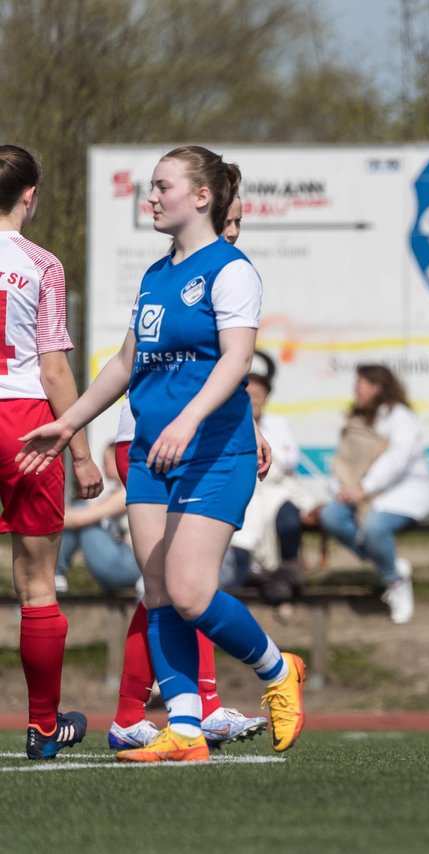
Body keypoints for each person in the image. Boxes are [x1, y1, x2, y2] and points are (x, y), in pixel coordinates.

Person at [17, 145, 305, 763]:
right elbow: (125, 364)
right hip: (150, 453)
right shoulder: (155, 274)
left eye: (161, 186)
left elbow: (235, 359)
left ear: (201, 197)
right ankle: (185, 731)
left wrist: (191, 418)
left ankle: (279, 671)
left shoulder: (232, 269)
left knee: (192, 591)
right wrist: (67, 425)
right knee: (158, 593)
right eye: (150, 187)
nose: (150, 197)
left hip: (211, 450)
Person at [105, 194, 268, 753]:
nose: (237, 232)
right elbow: (138, 365)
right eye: (232, 221)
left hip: (193, 435)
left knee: (177, 585)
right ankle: (174, 708)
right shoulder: (175, 271)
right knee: (169, 585)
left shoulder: (222, 272)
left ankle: (186, 713)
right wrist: (77, 427)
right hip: (152, 436)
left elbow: (225, 368)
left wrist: (243, 427)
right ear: (209, 210)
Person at [0, 143, 104, 760]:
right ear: (30, 195)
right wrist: (82, 453)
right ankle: (43, 726)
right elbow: (55, 370)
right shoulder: (42, 263)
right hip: (25, 424)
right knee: (38, 584)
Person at [317, 363, 429, 624]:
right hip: (360, 494)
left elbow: (397, 459)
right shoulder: (356, 418)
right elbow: (345, 460)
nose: (355, 389)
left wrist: (365, 488)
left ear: (378, 386)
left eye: (360, 384)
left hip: (401, 494)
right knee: (331, 516)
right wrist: (342, 489)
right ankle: (388, 563)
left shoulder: (400, 416)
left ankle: (395, 584)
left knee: (374, 528)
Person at [225, 351, 318, 597]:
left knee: (287, 518)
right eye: (249, 395)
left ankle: (288, 576)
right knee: (241, 534)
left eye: (259, 395)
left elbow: (287, 460)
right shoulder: (226, 423)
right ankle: (238, 589)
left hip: (274, 488)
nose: (254, 399)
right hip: (243, 490)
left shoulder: (278, 423)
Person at [55, 442, 139, 593]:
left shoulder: (127, 492)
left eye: (106, 461)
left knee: (83, 516)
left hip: (129, 564)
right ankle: (56, 574)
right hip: (125, 561)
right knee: (81, 511)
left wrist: (48, 514)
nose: (103, 466)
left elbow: (79, 519)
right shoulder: (116, 493)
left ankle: (56, 573)